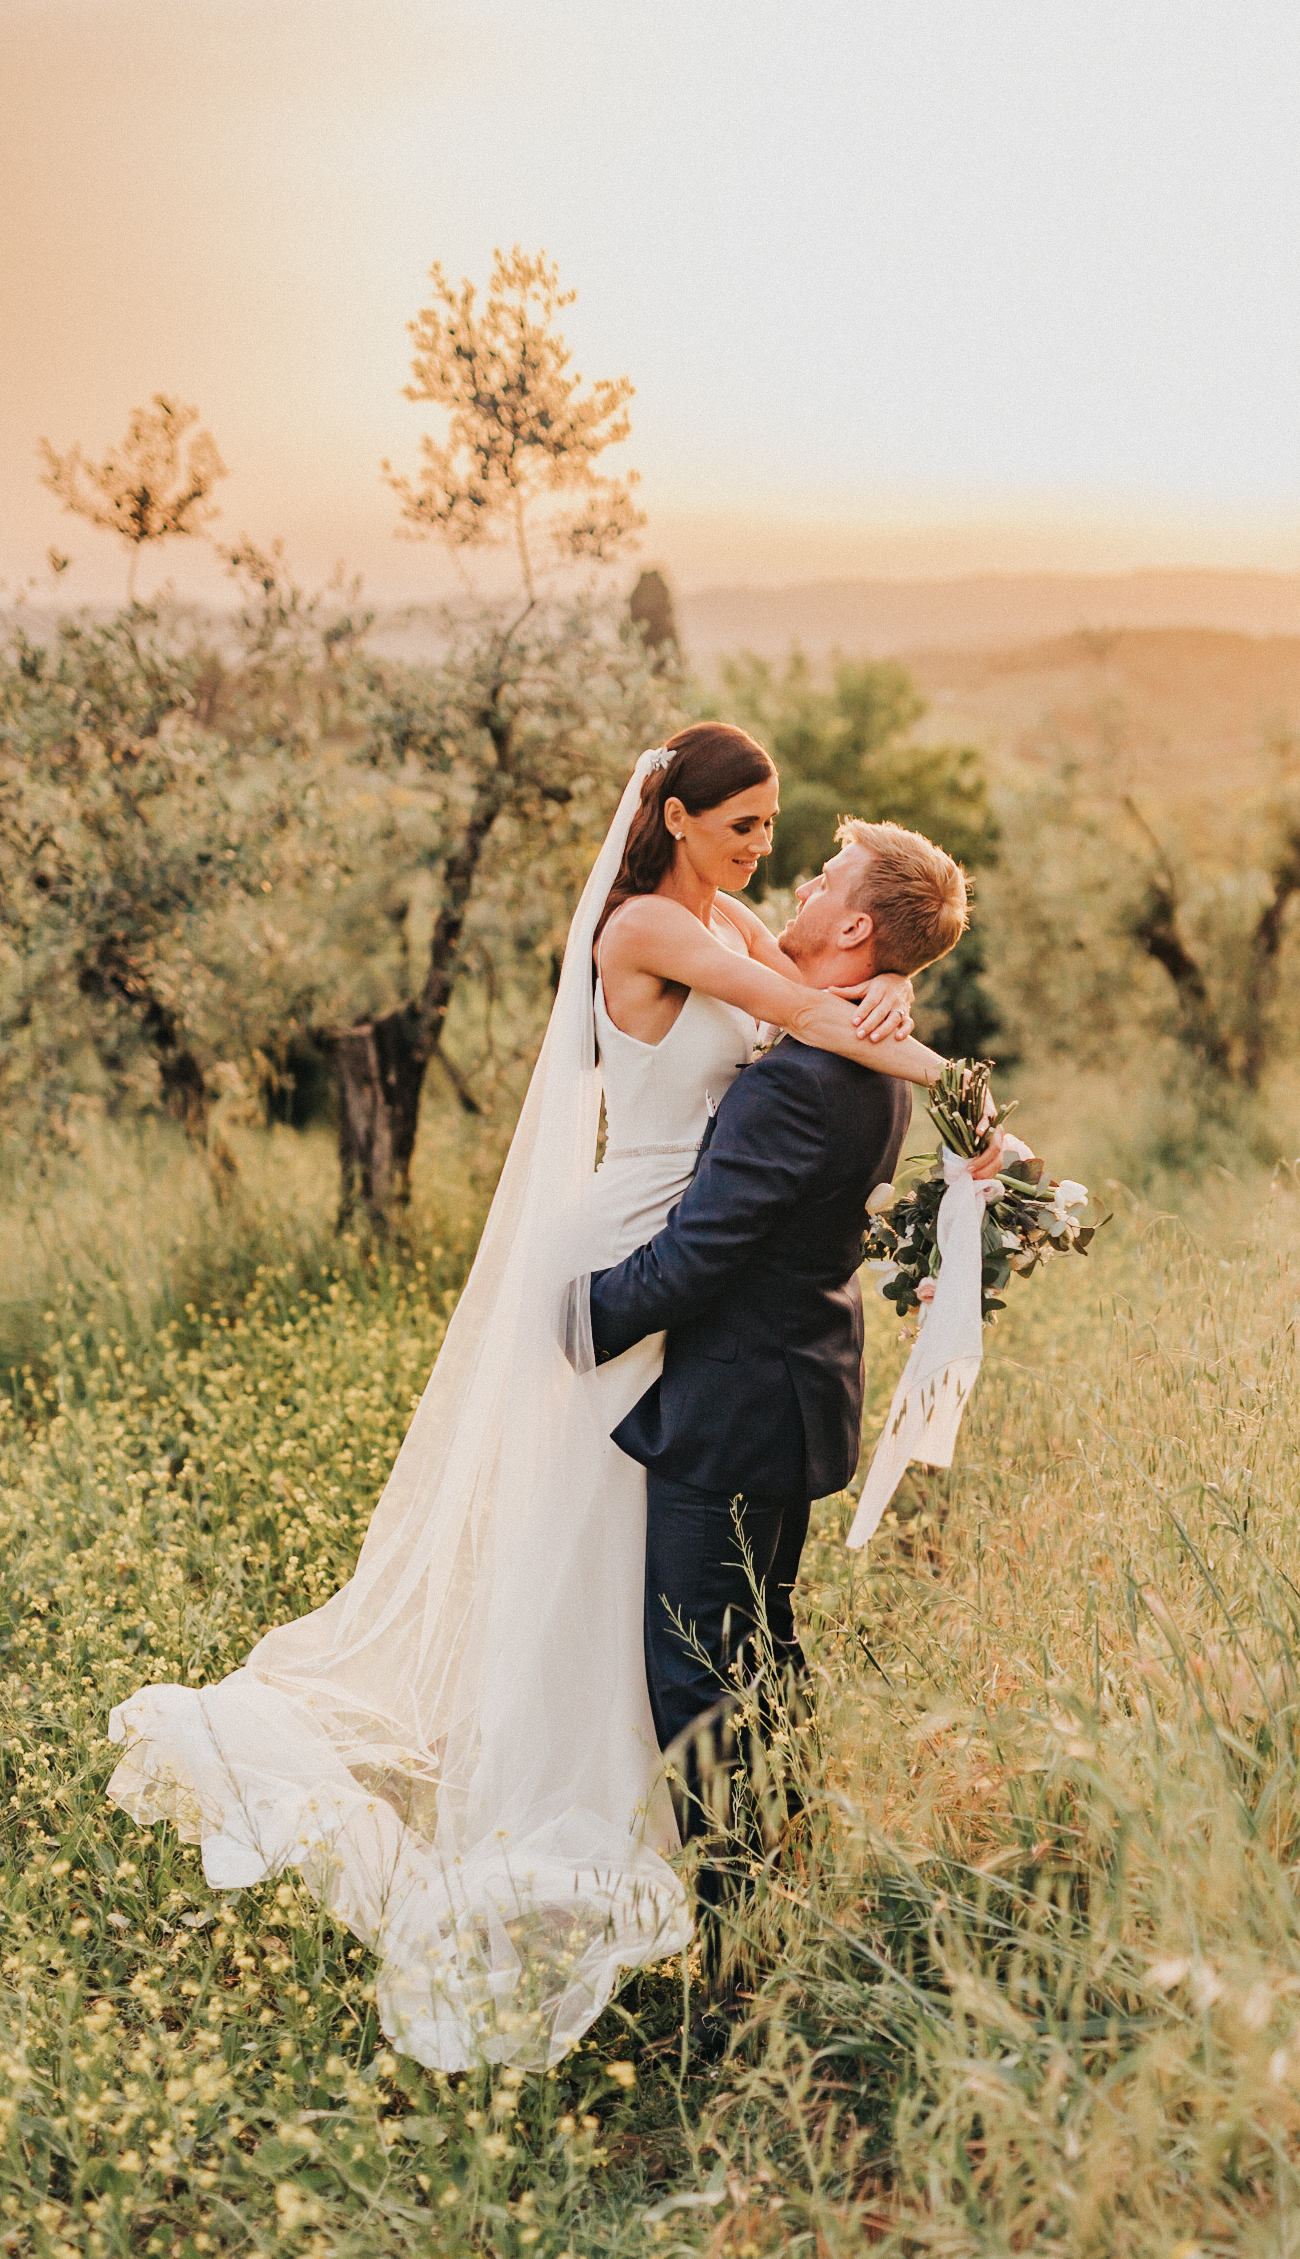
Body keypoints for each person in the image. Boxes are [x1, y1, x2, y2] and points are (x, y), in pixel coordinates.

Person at [107, 724, 989, 2073]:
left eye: (787, 843)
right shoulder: (647, 921)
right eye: (746, 827)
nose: (769, 855)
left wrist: (893, 1006)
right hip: (626, 1266)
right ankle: (584, 1824)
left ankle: (670, 1851)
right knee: (611, 1562)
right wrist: (957, 1094)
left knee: (637, 1579)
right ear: (678, 817)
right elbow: (814, 1006)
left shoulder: (738, 922)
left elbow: (822, 989)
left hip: (682, 1289)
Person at [589, 797, 971, 2005]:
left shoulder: (804, 1079)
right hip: (794, 1391)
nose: (796, 885)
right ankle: (781, 1895)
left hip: (736, 1403)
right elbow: (734, 920)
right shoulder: (848, 1052)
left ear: (854, 927)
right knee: (763, 1658)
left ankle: (741, 1963)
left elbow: (697, 1259)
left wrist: (564, 1325)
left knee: (700, 1679)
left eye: (821, 878)